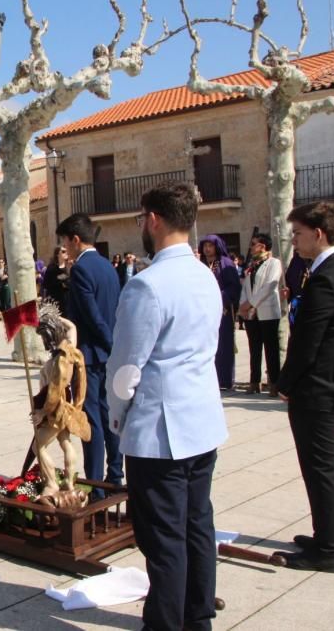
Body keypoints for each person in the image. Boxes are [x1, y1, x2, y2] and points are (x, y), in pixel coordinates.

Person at [106, 183, 227, 631]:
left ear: (153, 219)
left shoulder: (147, 285)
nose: (142, 225)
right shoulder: (205, 276)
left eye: (142, 218)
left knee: (164, 539)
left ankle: (165, 624)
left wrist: (118, 416)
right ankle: (198, 618)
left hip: (160, 431)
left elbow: (125, 369)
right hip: (201, 421)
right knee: (197, 526)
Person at [274, 201, 334, 573]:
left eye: (297, 233)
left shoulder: (328, 277)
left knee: (319, 466)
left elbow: (308, 340)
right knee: (327, 464)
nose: (293, 241)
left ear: (319, 233)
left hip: (319, 385)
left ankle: (328, 549)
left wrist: (285, 382)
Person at [57, 213, 123, 490]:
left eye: (65, 243)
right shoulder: (107, 265)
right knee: (110, 417)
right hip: (108, 354)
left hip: (92, 356)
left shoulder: (82, 269)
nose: (64, 249)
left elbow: (93, 316)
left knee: (91, 419)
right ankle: (115, 475)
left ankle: (95, 484)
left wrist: (109, 343)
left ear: (75, 240)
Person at [239, 233, 282, 395]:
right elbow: (245, 287)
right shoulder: (252, 265)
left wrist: (251, 303)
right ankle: (254, 381)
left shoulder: (274, 263)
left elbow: (269, 287)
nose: (251, 247)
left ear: (262, 246)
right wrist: (243, 306)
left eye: (254, 244)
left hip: (267, 311)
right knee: (254, 348)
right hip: (251, 313)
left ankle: (274, 382)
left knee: (271, 348)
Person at [200, 235, 242, 390]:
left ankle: (225, 380)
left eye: (210, 245)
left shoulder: (225, 264)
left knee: (223, 345)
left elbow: (234, 287)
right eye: (205, 246)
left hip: (222, 311)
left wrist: (217, 297)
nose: (207, 249)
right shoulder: (200, 264)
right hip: (203, 311)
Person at [42, 246, 71, 316]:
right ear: (57, 254)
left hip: (68, 301)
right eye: (63, 252)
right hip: (56, 301)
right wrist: (60, 280)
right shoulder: (51, 268)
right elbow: (45, 284)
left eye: (67, 251)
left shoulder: (69, 266)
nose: (66, 253)